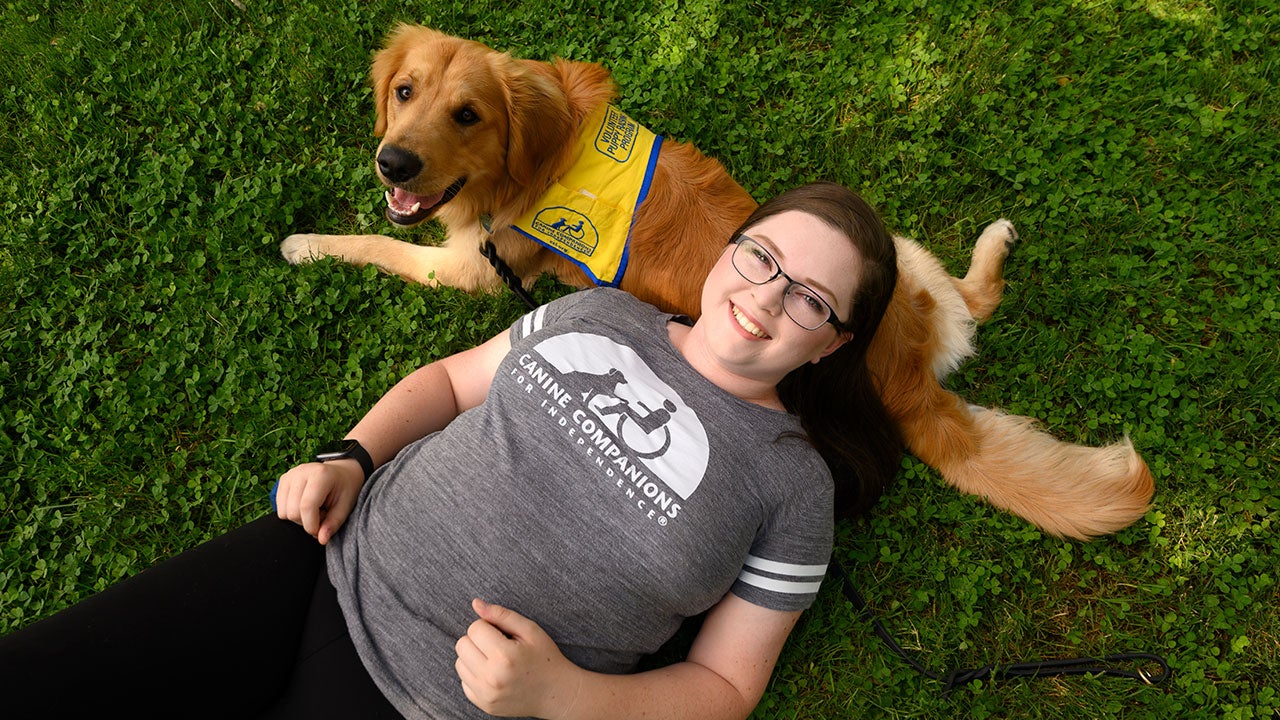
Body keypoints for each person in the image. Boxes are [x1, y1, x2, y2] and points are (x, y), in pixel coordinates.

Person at [0, 182, 901, 719]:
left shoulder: (791, 486)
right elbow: (447, 383)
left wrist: (563, 698)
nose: (770, 298)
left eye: (814, 300)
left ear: (833, 344)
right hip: (313, 566)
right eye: (762, 258)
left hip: (438, 703)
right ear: (729, 251)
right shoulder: (601, 311)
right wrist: (349, 456)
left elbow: (724, 688)